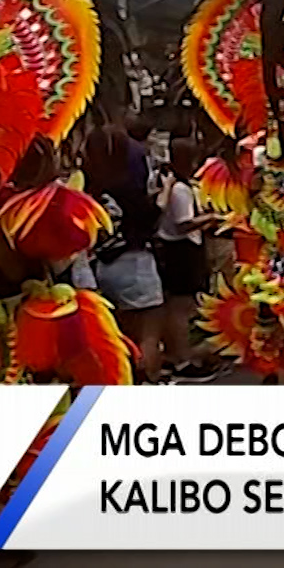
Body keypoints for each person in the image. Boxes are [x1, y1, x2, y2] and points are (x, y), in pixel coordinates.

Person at [84, 123, 167, 380]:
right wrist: (165, 192)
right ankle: (148, 381)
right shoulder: (131, 188)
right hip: (135, 262)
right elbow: (151, 216)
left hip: (101, 265)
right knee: (149, 333)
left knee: (119, 337)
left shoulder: (90, 190)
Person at [155, 134, 224, 382]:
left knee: (180, 307)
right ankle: (182, 358)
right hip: (182, 251)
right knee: (180, 309)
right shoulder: (180, 189)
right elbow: (184, 223)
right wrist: (212, 218)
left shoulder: (177, 184)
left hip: (181, 250)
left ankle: (180, 354)